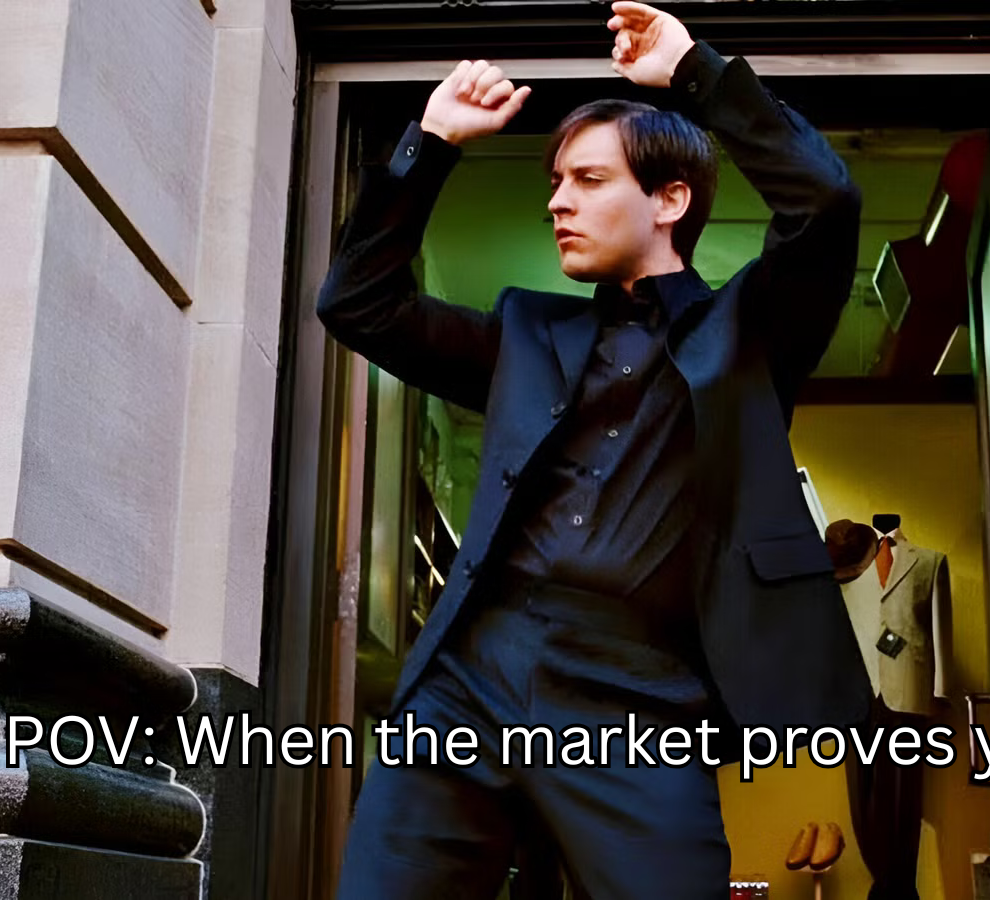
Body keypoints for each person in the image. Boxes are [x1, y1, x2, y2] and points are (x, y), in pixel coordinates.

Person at [318, 3, 872, 897]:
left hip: (639, 697)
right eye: (555, 182)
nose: (557, 202)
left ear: (669, 200)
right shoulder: (526, 334)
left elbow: (825, 201)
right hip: (470, 677)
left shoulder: (750, 334)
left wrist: (694, 71)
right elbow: (357, 305)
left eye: (586, 179)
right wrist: (432, 144)